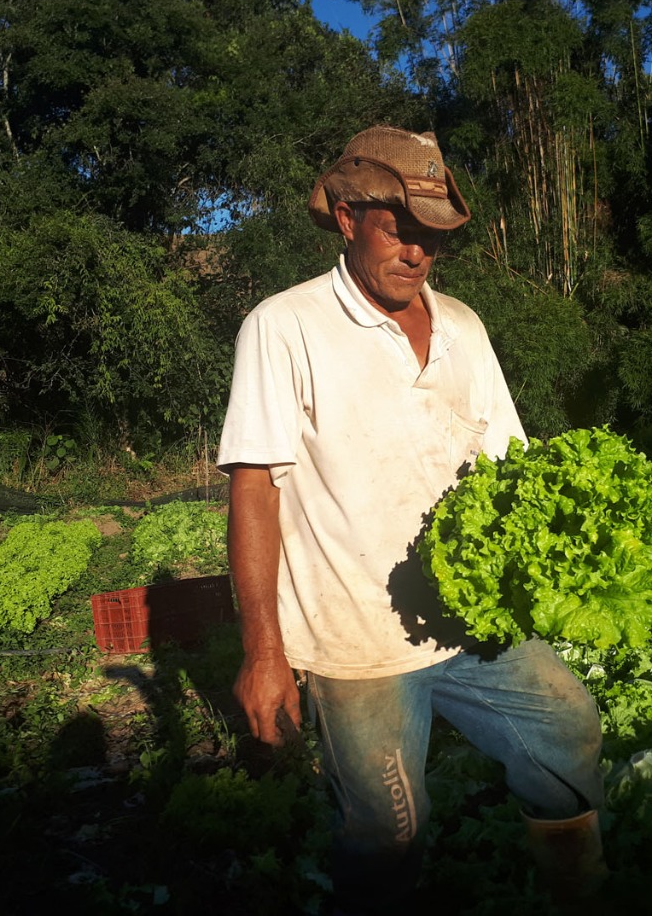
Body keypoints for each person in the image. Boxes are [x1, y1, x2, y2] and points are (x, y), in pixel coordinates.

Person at [217, 125, 605, 915]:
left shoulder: (464, 326)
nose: (419, 252)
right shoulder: (283, 326)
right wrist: (265, 653)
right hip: (358, 642)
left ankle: (581, 897)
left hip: (472, 622)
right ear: (350, 214)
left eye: (432, 236)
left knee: (568, 728)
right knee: (388, 831)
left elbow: (511, 470)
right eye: (402, 229)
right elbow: (253, 487)